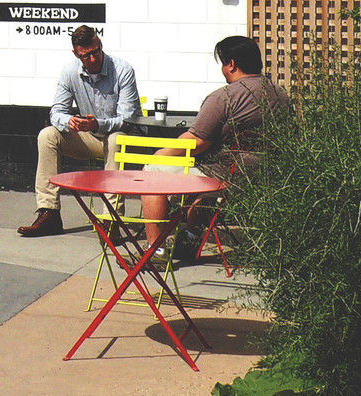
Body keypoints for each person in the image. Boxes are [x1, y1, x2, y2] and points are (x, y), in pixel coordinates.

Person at [161, 35, 284, 263]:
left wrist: (160, 154)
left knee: (155, 172)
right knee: (203, 182)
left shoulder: (225, 97)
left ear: (231, 64)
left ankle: (154, 249)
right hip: (271, 177)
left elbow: (197, 142)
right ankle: (189, 238)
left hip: (231, 177)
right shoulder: (280, 94)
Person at [19, 25, 140, 236]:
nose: (92, 60)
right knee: (47, 135)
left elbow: (128, 119)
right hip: (91, 137)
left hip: (122, 138)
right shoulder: (69, 72)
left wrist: (98, 124)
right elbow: (56, 112)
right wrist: (69, 121)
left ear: (100, 44)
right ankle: (48, 213)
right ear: (76, 54)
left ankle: (111, 219)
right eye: (86, 56)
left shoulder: (123, 70)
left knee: (115, 140)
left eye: (95, 52)